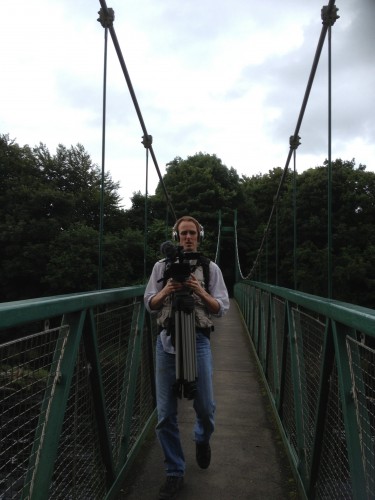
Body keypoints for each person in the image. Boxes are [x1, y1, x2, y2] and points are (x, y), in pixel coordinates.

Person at [144, 216, 229, 500]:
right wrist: (167, 288)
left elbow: (221, 308)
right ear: (176, 236)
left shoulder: (209, 267)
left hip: (198, 341)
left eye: (192, 233)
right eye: (183, 233)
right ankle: (174, 471)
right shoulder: (161, 267)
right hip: (166, 342)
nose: (188, 238)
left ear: (199, 236)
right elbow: (150, 304)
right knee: (165, 413)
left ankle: (202, 438)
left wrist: (197, 289)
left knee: (204, 407)